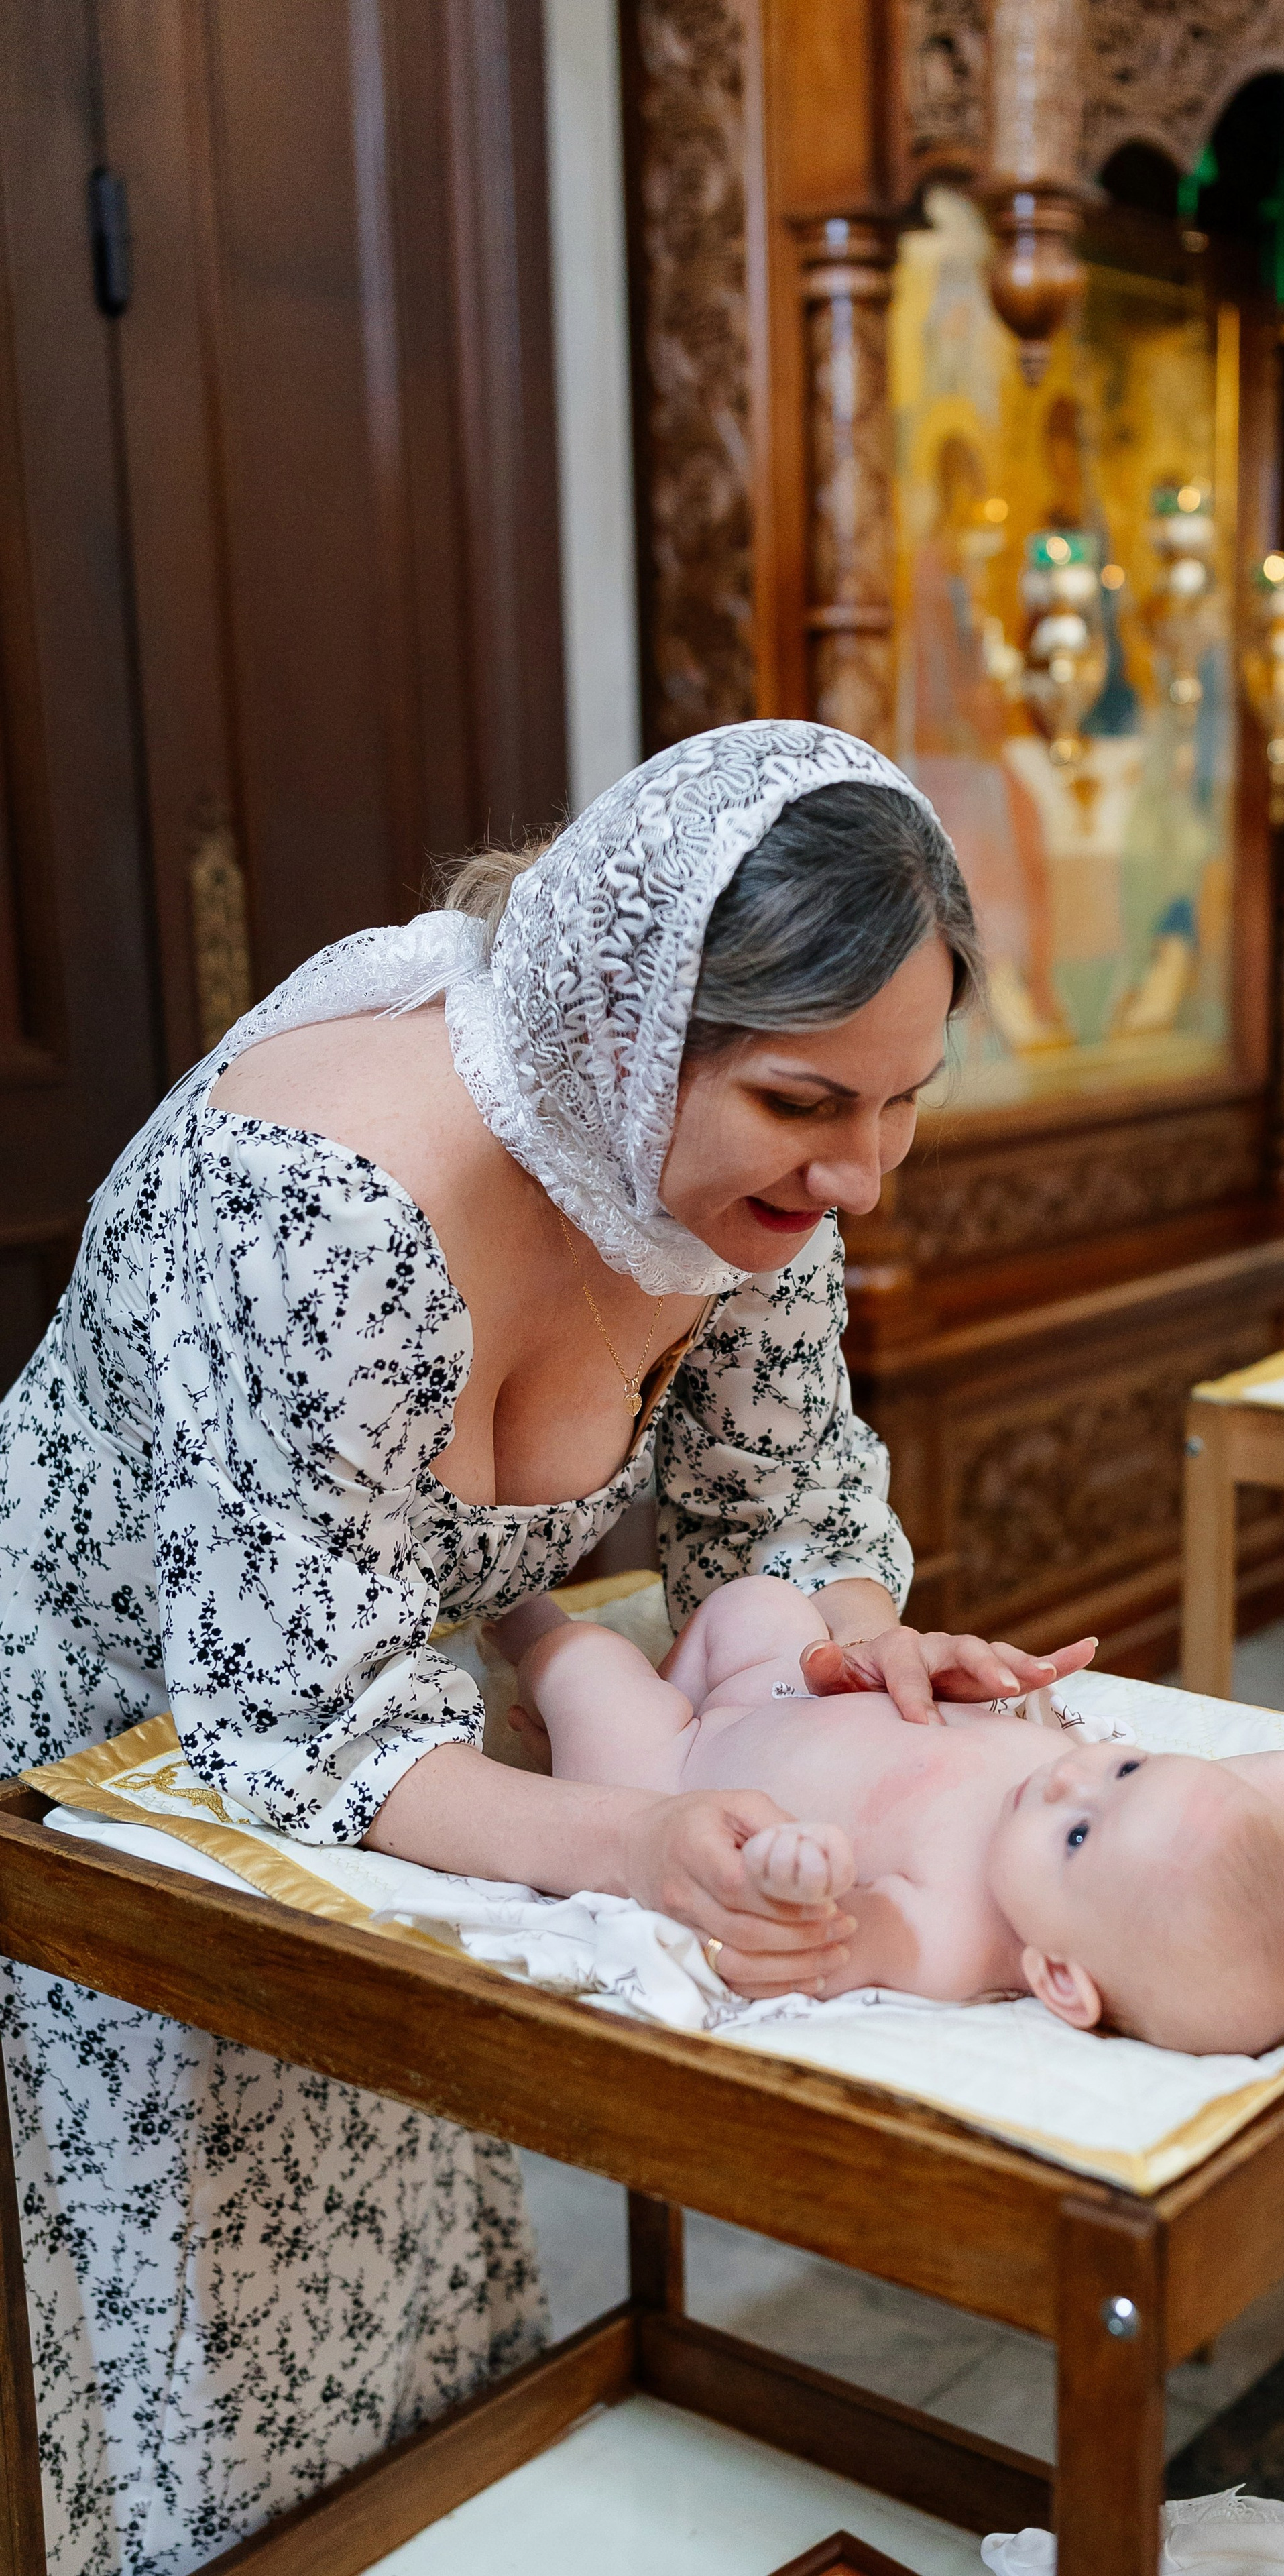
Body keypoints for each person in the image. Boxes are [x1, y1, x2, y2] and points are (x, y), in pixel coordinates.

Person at [0, 720, 1082, 2576]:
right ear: (633, 1020)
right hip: (101, 1776)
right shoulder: (326, 1212)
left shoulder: (733, 1193)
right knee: (160, 2329)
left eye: (905, 1104)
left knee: (390, 2300)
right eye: (814, 1105)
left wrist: (861, 1662)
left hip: (388, 1767)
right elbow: (306, 1721)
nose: (865, 1178)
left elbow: (787, 1507)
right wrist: (639, 1842)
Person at [500, 1573, 1284, 2056]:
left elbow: (836, 1941)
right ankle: (645, 1679)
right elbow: (1202, 1803)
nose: (1072, 1782)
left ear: (1059, 1976)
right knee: (760, 1603)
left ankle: (511, 1615)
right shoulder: (1116, 1821)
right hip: (791, 1684)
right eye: (1125, 1767)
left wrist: (796, 1872)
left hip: (679, 1768)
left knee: (586, 1660)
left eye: (1080, 1836)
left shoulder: (953, 1937)